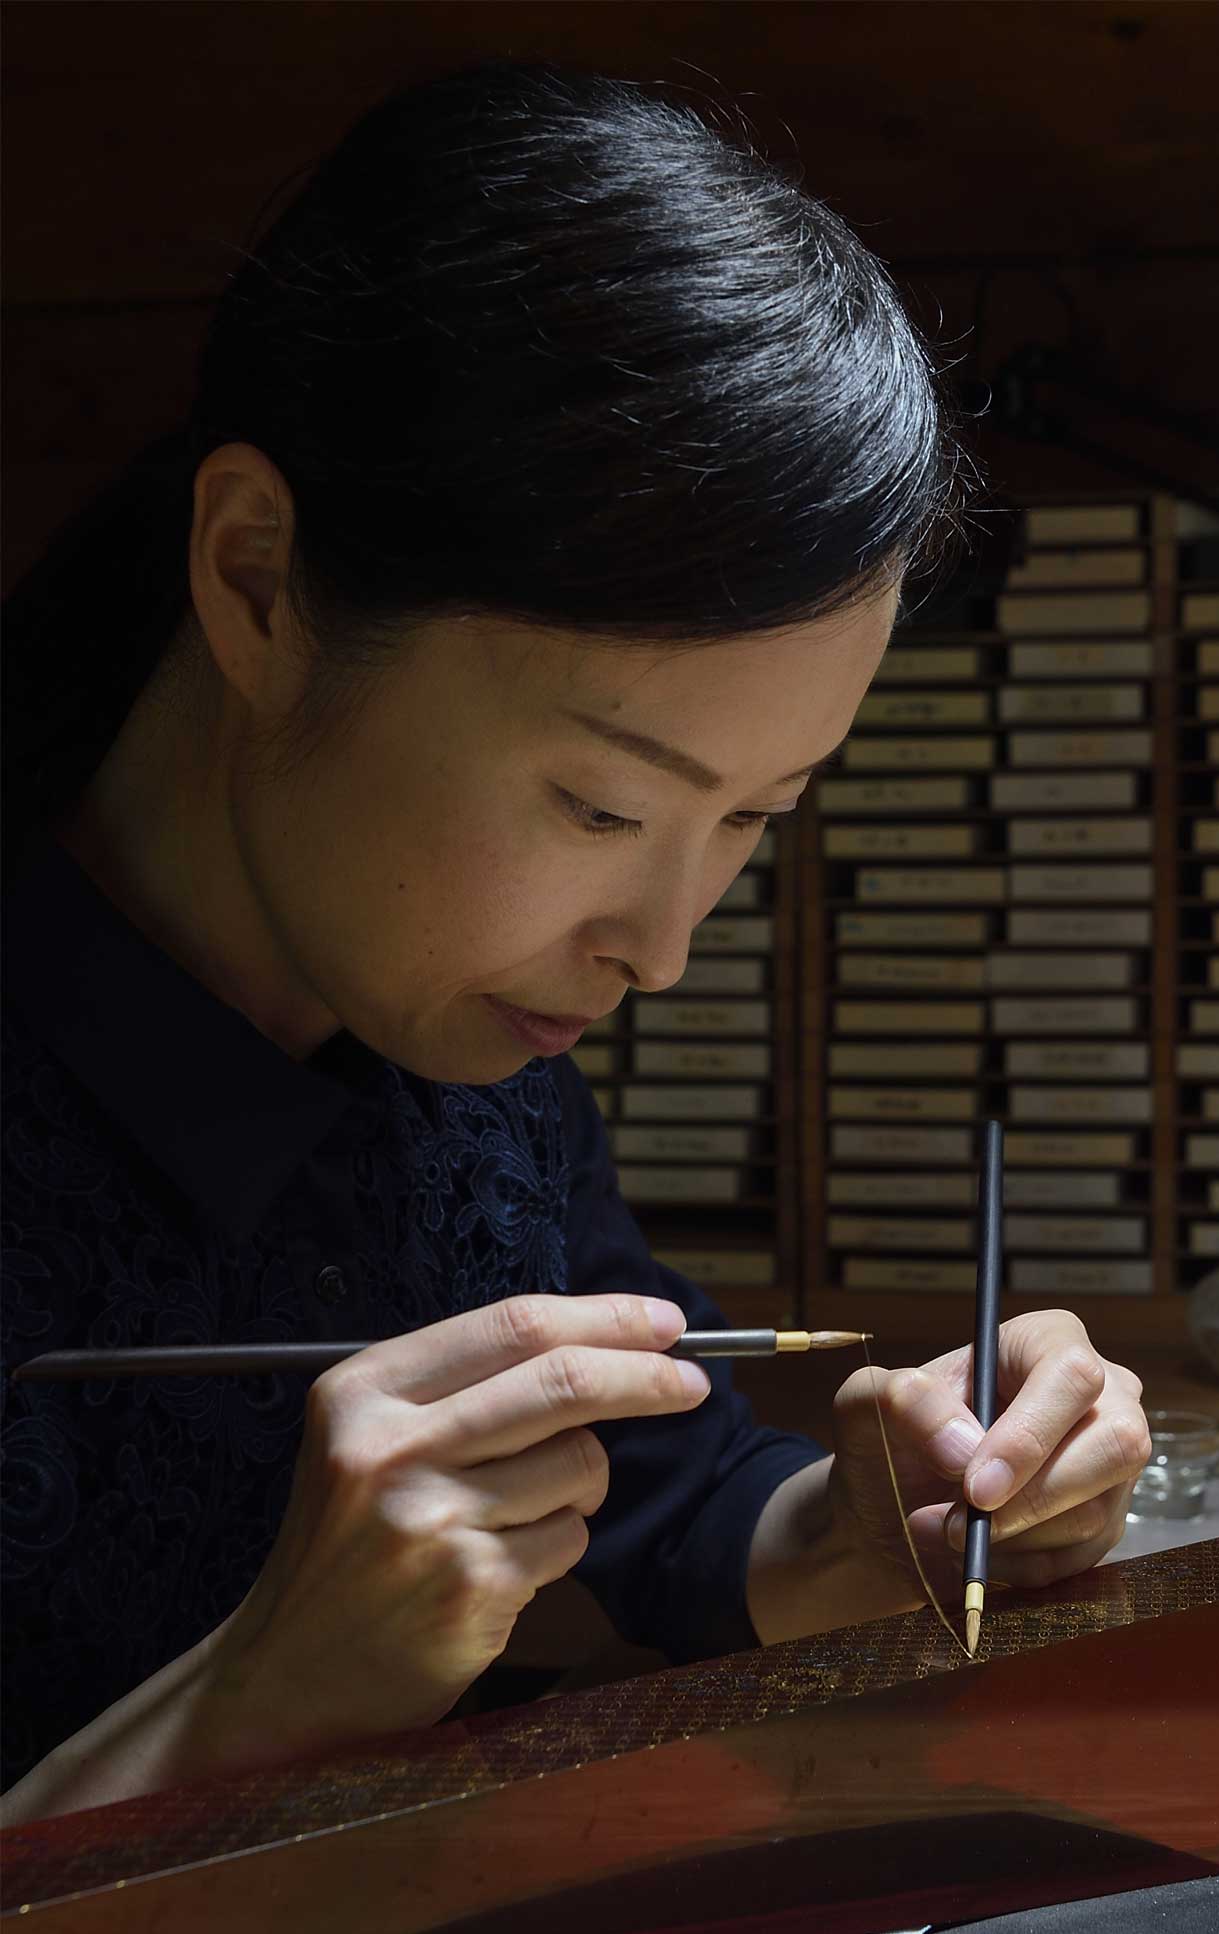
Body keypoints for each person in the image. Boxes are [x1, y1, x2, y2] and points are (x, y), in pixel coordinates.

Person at [0, 60, 1148, 1833]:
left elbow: (674, 1500)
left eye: (755, 818)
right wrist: (249, 1711)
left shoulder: (450, 1028)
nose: (664, 946)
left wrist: (859, 1528)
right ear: (255, 584)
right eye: (607, 811)